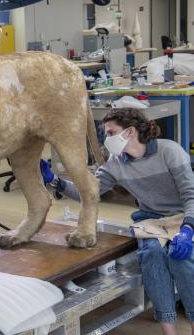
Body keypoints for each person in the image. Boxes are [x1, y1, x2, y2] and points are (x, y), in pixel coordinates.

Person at [40, 108, 194, 335]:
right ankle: (169, 330)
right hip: (151, 219)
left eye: (111, 132)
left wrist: (188, 229)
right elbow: (89, 192)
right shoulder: (115, 163)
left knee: (182, 260)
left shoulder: (169, 151)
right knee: (151, 256)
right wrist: (55, 182)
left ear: (130, 132)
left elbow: (191, 195)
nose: (106, 139)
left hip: (185, 215)